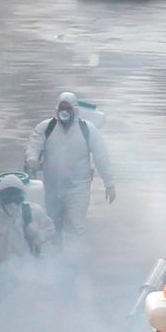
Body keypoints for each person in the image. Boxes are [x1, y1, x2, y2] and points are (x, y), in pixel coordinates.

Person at [22, 92, 114, 247]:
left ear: (75, 110)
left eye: (68, 108)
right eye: (61, 108)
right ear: (57, 109)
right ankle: (55, 259)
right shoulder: (47, 127)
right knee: (52, 225)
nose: (64, 112)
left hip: (78, 188)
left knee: (76, 226)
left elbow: (101, 157)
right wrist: (32, 159)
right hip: (52, 187)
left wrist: (109, 183)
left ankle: (73, 261)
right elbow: (33, 145)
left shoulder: (87, 130)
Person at [0, 172, 56, 303]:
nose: (12, 203)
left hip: (28, 280)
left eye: (16, 198)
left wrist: (38, 234)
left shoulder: (35, 213)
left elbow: (50, 236)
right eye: (8, 197)